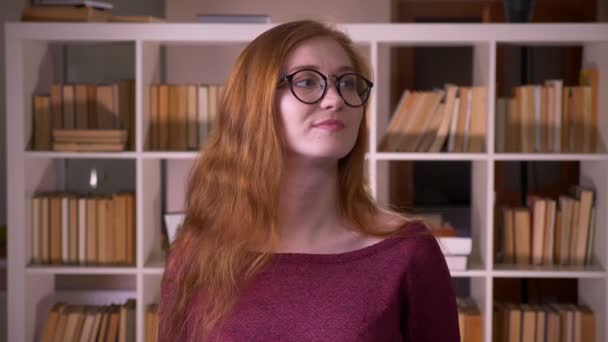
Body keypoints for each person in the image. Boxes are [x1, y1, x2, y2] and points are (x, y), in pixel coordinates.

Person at [158, 20, 460, 341]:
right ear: (253, 105)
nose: (335, 99)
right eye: (306, 81)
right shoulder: (197, 253)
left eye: (346, 83)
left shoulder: (407, 252)